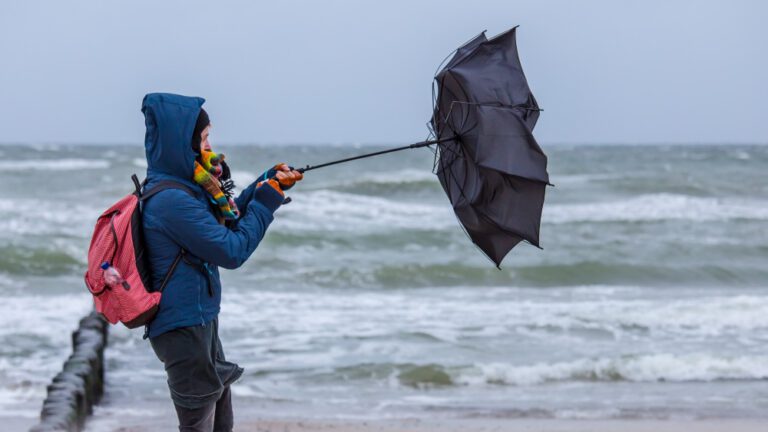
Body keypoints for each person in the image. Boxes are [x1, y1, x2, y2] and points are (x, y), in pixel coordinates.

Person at [139, 93, 302, 432]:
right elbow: (231, 250)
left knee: (221, 415)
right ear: (182, 142)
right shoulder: (171, 200)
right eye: (204, 137)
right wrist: (267, 201)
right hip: (183, 329)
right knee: (199, 423)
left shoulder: (190, 185)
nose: (210, 145)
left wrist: (265, 182)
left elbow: (228, 219)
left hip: (200, 320)